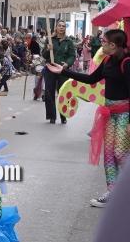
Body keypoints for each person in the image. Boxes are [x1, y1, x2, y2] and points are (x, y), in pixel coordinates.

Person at [46, 29, 130, 207]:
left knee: (120, 153)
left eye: (103, 41)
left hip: (124, 114)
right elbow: (91, 79)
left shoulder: (127, 62)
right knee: (108, 154)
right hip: (109, 113)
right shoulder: (107, 60)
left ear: (112, 45)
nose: (100, 44)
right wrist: (64, 71)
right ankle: (112, 192)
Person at [44, 20, 78, 124]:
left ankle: (63, 115)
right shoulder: (49, 39)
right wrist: (47, 49)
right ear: (56, 27)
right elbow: (44, 55)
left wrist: (67, 64)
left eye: (63, 26)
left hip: (63, 71)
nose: (61, 27)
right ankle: (52, 116)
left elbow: (72, 55)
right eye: (59, 26)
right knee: (49, 93)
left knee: (63, 93)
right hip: (50, 69)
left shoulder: (69, 41)